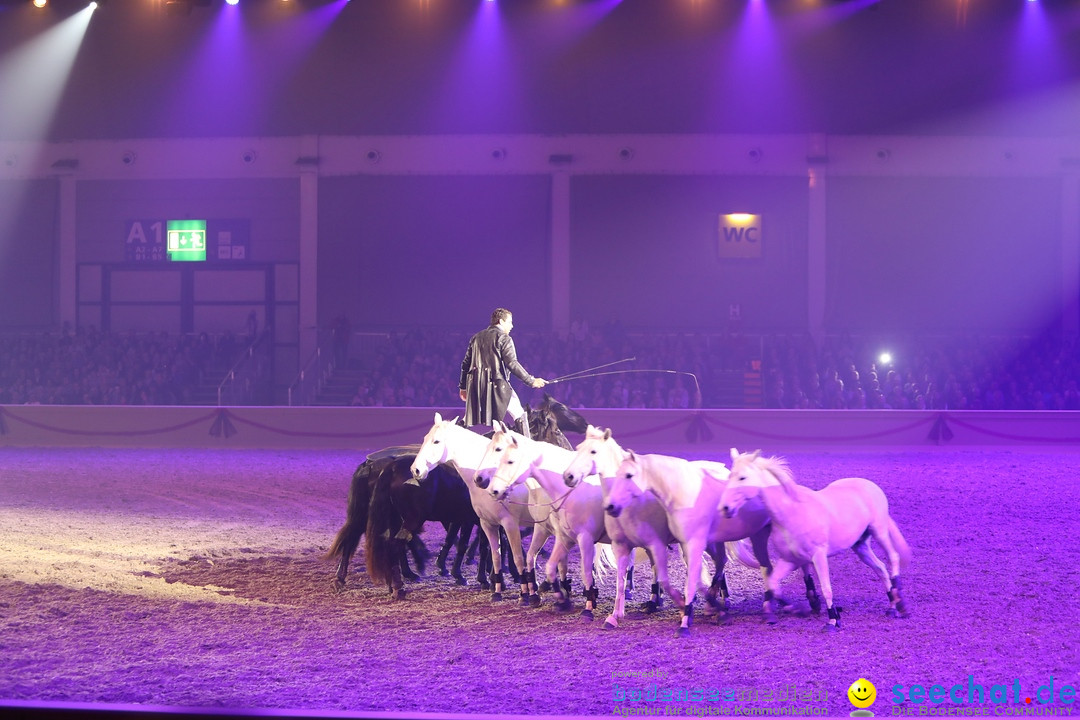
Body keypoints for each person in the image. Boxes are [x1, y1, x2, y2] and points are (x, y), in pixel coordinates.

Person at [459, 308, 547, 435]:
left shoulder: (476, 338)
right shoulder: (504, 338)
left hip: (476, 386)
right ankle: (527, 449)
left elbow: (465, 364)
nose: (512, 326)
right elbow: (512, 363)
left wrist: (463, 387)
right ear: (501, 321)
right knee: (519, 414)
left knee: (468, 418)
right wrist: (531, 381)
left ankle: (448, 437)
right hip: (497, 386)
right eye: (510, 322)